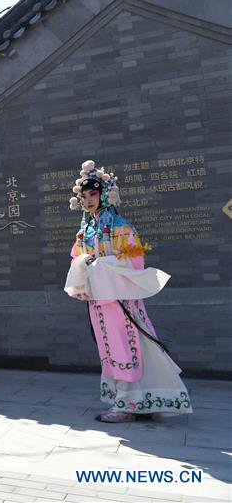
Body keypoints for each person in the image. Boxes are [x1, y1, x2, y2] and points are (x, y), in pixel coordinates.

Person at [65, 160, 191, 422]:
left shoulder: (120, 226)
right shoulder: (84, 231)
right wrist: (84, 264)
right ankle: (132, 399)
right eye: (84, 196)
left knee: (127, 346)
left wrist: (98, 265)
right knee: (111, 348)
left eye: (93, 194)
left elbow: (135, 261)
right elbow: (76, 259)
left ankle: (129, 404)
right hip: (100, 300)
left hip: (121, 299)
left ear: (104, 195)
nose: (88, 200)